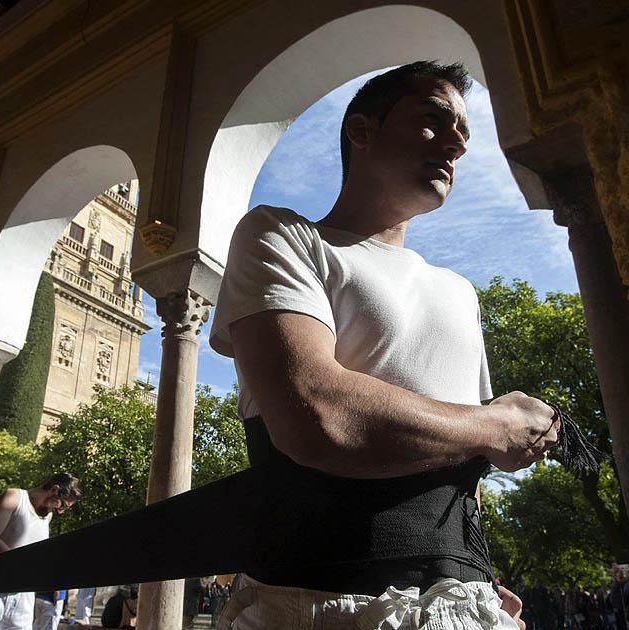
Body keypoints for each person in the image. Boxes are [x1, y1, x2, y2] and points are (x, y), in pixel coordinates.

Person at [209, 61, 561, 629]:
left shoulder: (460, 293)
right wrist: (498, 423)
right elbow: (318, 415)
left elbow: (460, 464)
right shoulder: (283, 237)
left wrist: (475, 572)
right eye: (433, 120)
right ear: (362, 131)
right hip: (317, 604)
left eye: (465, 134)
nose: (456, 145)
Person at [0, 472, 82, 629]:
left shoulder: (47, 516)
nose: (61, 511)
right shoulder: (14, 498)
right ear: (54, 490)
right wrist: (21, 567)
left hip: (23, 595)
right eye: (63, 505)